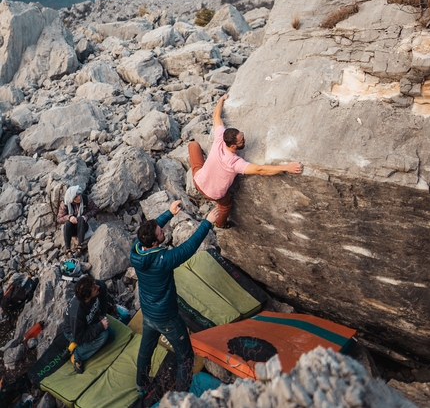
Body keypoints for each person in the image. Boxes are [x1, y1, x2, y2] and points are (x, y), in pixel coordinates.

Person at [130, 200, 220, 398]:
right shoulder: (162, 261)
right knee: (186, 356)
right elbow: (188, 248)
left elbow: (152, 228)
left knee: (147, 349)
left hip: (148, 312)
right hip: (167, 317)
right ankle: (180, 397)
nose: (163, 231)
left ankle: (141, 384)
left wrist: (169, 213)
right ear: (154, 243)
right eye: (161, 233)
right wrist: (207, 222)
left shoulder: (136, 250)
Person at [188, 94, 303, 228]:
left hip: (198, 180)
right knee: (226, 206)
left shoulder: (220, 138)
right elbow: (261, 170)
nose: (245, 140)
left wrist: (221, 100)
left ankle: (190, 146)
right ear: (233, 146)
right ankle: (220, 224)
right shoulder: (235, 163)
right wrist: (286, 167)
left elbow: (216, 116)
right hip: (214, 194)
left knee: (193, 145)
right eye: (241, 141)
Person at [62, 274, 113, 374]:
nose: (97, 286)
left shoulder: (96, 286)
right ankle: (77, 355)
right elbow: (79, 337)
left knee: (111, 336)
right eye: (94, 288)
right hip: (74, 332)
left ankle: (74, 345)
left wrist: (102, 314)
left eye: (95, 284)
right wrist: (99, 327)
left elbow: (103, 293)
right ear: (87, 297)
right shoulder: (77, 313)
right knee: (104, 336)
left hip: (89, 321)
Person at [57, 185, 98, 257]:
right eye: (76, 197)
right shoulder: (65, 204)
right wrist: (69, 217)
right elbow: (59, 219)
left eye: (79, 195)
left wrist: (86, 216)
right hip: (72, 229)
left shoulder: (85, 199)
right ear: (71, 198)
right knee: (67, 224)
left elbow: (95, 209)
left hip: (83, 226)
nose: (79, 197)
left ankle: (80, 247)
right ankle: (68, 250)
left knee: (81, 219)